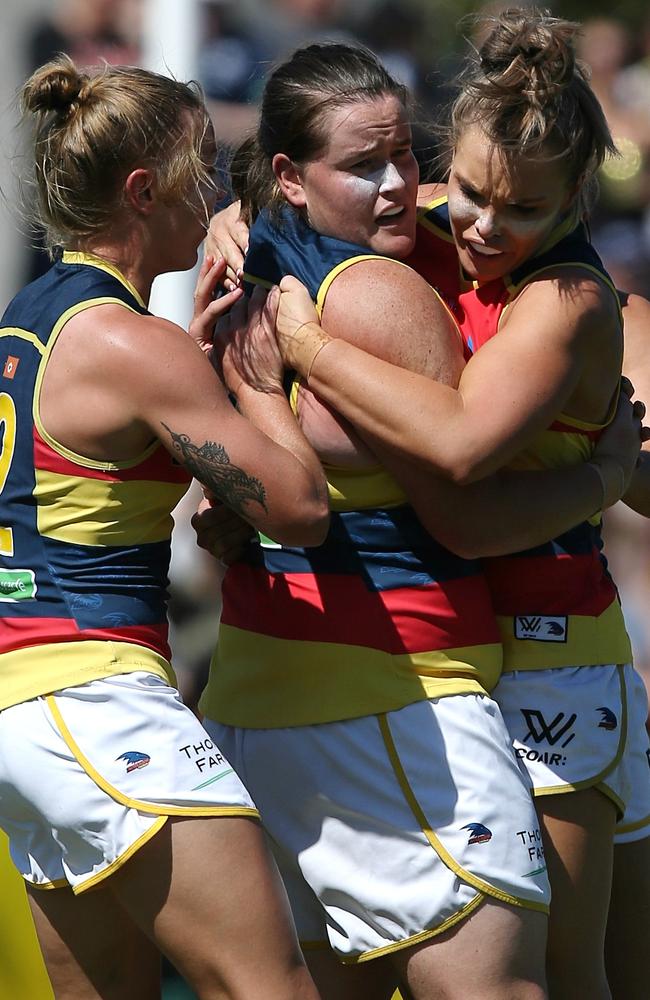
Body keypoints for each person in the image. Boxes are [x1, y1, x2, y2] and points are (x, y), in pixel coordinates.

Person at [199, 30, 645, 1000]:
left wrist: (309, 350)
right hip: (460, 662)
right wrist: (239, 219)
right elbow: (310, 194)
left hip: (557, 657)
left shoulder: (565, 296)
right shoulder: (437, 223)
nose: (480, 225)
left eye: (520, 208)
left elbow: (456, 457)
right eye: (467, 192)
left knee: (575, 975)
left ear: (572, 200)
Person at [0, 55, 328, 1000]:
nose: (219, 193)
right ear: (143, 191)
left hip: (26, 709)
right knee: (269, 985)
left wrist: (189, 367)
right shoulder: (132, 344)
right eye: (204, 170)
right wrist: (263, 369)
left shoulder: (37, 317)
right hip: (93, 695)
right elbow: (300, 510)